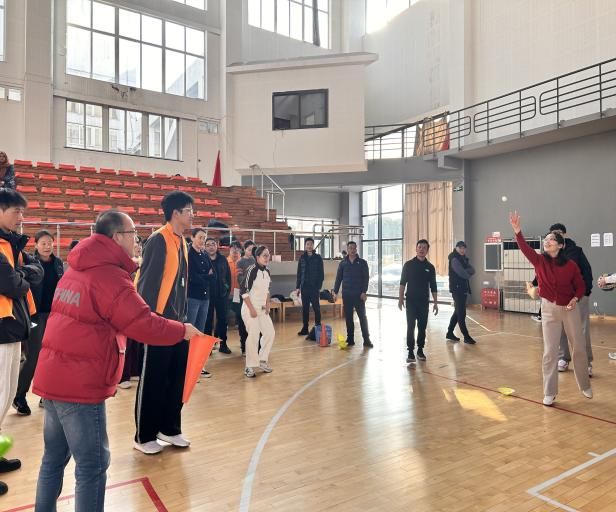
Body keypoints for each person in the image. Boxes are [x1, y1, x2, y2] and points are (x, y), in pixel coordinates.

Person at [32, 210, 201, 511]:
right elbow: (142, 323)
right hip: (80, 383)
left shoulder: (77, 267)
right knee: (92, 465)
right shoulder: (109, 276)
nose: (136, 240)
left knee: (53, 458)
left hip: (53, 375)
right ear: (116, 236)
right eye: (133, 234)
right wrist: (181, 331)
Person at [133, 191, 195, 455]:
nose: (192, 215)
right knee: (153, 380)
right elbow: (146, 285)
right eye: (189, 210)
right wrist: (150, 321)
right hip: (158, 324)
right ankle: (144, 435)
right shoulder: (158, 240)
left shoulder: (182, 241)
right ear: (175, 213)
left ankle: (169, 428)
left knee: (175, 378)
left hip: (179, 323)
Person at [509, 211, 592, 406]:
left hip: (569, 309)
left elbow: (580, 286)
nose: (547, 242)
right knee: (550, 352)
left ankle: (584, 384)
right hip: (548, 310)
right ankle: (549, 392)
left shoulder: (571, 265)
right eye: (545, 239)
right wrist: (518, 231)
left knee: (578, 347)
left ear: (560, 245)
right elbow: (524, 248)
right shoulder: (539, 261)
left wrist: (575, 298)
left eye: (551, 240)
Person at [0, 188, 43, 497]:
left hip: (12, 327)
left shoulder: (11, 244)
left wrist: (20, 273)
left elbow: (35, 271)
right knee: (0, 397)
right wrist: (21, 275)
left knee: (5, 397)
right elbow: (12, 285)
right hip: (2, 328)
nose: (21, 216)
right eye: (16, 211)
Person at [13, 230, 64, 415]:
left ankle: (46, 395)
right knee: (33, 356)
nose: (47, 246)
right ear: (35, 245)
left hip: (54, 316)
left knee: (52, 357)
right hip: (35, 316)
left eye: (50, 243)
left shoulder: (58, 263)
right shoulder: (31, 263)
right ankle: (19, 396)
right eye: (43, 243)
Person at [547, 224, 594, 376]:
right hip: (559, 299)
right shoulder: (549, 254)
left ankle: (586, 363)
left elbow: (587, 272)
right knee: (560, 329)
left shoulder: (576, 251)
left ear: (564, 234)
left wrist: (584, 293)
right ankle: (563, 358)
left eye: (558, 233)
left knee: (581, 331)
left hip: (578, 297)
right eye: (552, 234)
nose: (555, 236)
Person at [398, 239, 438, 363]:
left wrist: (435, 303)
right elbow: (402, 283)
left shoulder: (430, 267)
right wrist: (400, 298)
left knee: (422, 327)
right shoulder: (408, 265)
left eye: (424, 247)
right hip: (411, 301)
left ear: (427, 250)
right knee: (410, 327)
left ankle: (420, 350)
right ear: (416, 248)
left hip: (424, 302)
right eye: (419, 247)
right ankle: (410, 352)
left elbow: (433, 286)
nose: (421, 249)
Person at [241, 245, 275, 378]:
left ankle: (262, 360)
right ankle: (249, 366)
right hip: (249, 308)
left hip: (262, 309)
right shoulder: (252, 270)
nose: (267, 258)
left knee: (270, 333)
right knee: (253, 335)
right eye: (264, 255)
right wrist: (252, 310)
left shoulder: (267, 272)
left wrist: (267, 304)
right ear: (257, 257)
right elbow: (243, 292)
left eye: (268, 255)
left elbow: (267, 290)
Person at [332, 241, 372, 348]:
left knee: (362, 318)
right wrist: (335, 291)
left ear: (356, 249)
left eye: (354, 248)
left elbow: (366, 279)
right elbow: (338, 278)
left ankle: (366, 340)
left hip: (359, 296)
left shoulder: (362, 263)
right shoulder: (343, 263)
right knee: (349, 318)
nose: (352, 250)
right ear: (348, 249)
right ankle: (350, 339)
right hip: (347, 295)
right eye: (350, 248)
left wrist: (364, 292)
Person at [186, 227, 214, 378]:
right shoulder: (188, 254)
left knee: (200, 331)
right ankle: (186, 367)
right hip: (193, 297)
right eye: (200, 237)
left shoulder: (204, 254)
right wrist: (206, 276)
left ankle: (197, 365)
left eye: (204, 238)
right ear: (192, 238)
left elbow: (213, 274)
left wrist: (204, 277)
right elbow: (192, 277)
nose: (202, 240)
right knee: (190, 331)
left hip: (205, 297)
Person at [204, 237, 232, 354]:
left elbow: (228, 276)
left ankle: (223, 345)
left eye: (213, 244)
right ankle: (207, 347)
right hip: (207, 296)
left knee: (223, 320)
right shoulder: (203, 259)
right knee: (208, 322)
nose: (211, 247)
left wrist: (227, 290)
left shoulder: (222, 259)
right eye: (208, 245)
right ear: (205, 247)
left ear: (217, 246)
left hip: (221, 296)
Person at [446, 241, 477, 345]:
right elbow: (463, 274)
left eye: (464, 248)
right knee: (461, 313)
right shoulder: (454, 259)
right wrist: (466, 272)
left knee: (457, 312)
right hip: (457, 289)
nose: (462, 250)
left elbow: (473, 270)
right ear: (456, 248)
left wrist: (466, 272)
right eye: (460, 248)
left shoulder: (463, 259)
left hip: (462, 288)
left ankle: (449, 333)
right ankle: (466, 337)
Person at [295, 237, 324, 336]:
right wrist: (298, 287)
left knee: (316, 308)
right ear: (305, 245)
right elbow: (299, 273)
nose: (309, 246)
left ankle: (318, 327)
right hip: (304, 287)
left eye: (311, 244)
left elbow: (321, 274)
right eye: (307, 244)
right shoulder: (302, 258)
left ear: (313, 245)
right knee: (305, 309)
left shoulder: (318, 258)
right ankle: (305, 328)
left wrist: (318, 286)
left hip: (314, 287)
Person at [235, 240, 256, 354]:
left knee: (254, 322)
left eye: (253, 250)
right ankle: (244, 347)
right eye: (249, 249)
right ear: (244, 249)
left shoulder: (255, 260)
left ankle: (255, 347)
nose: (251, 252)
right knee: (243, 322)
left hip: (254, 296)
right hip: (243, 295)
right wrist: (249, 284)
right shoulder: (240, 262)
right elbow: (240, 279)